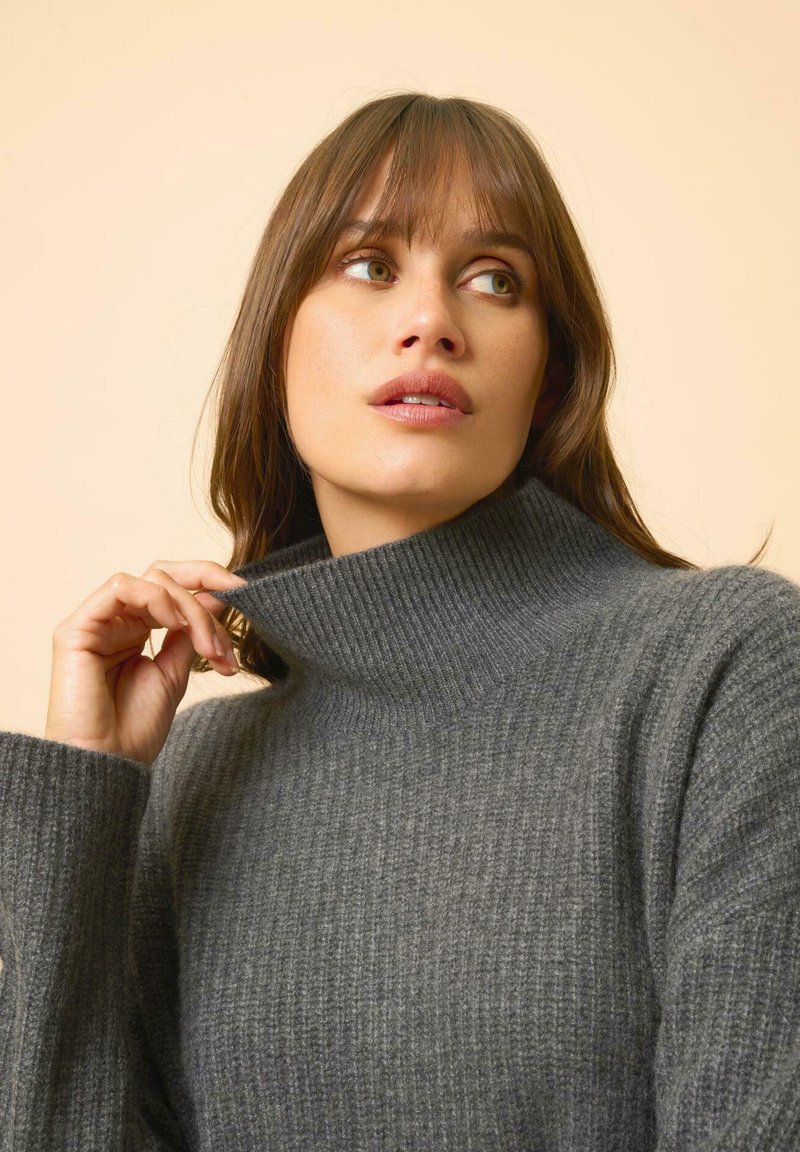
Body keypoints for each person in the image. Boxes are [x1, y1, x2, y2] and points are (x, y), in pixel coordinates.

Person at [1, 92, 798, 1150]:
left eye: (494, 280)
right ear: (275, 347)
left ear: (547, 373)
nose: (431, 321)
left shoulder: (725, 671)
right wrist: (87, 801)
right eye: (370, 265)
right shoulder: (194, 777)